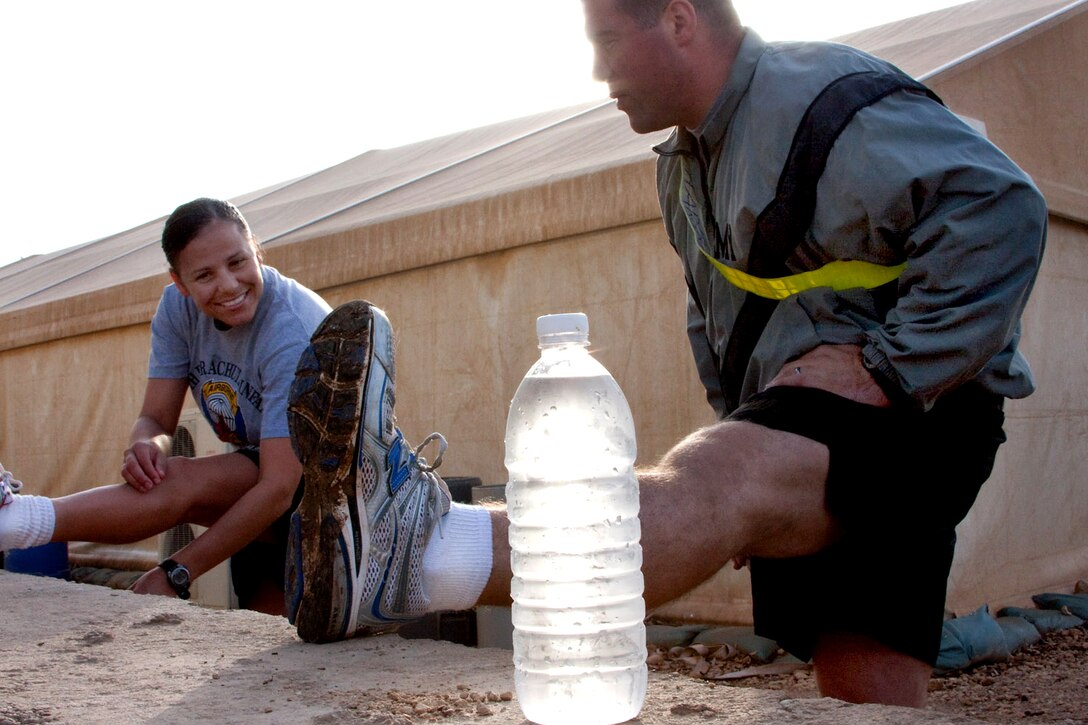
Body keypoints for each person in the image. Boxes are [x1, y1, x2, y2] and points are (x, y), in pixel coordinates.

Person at [287, 0, 1045, 708]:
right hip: (815, 410)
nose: (597, 71)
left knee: (711, 476)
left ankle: (415, 549)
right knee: (867, 687)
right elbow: (717, 321)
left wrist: (894, 366)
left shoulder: (822, 100)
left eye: (608, 41)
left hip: (912, 409)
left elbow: (1000, 205)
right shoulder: (684, 165)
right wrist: (747, 438)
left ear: (680, 19)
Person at [0, 198, 332, 613]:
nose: (228, 285)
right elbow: (155, 418)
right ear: (180, 282)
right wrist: (146, 445)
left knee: (183, 479)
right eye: (205, 275)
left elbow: (278, 488)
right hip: (268, 491)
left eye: (238, 262)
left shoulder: (291, 332)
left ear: (257, 250)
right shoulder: (177, 309)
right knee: (162, 477)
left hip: (332, 493)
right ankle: (13, 523)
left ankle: (14, 520)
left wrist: (176, 571)